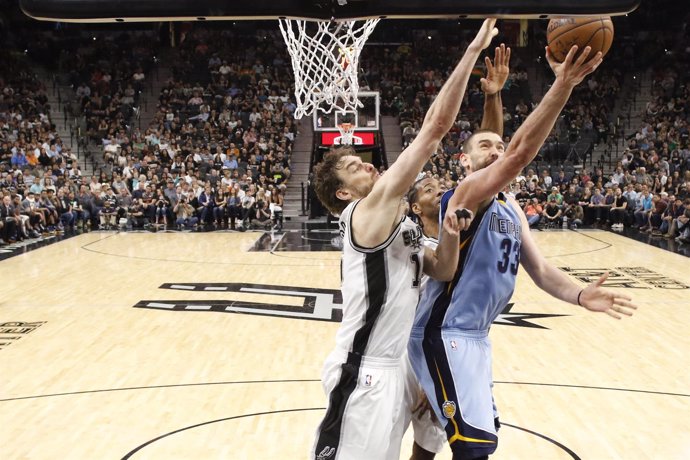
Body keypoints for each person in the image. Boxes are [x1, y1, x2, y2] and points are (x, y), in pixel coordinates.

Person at [409, 44, 637, 460]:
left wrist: (582, 294)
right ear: (464, 160)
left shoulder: (510, 206)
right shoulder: (465, 194)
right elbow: (517, 155)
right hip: (445, 333)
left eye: (499, 146)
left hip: (476, 336)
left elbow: (542, 269)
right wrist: (563, 85)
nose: (496, 151)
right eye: (485, 148)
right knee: (472, 449)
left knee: (471, 444)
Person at [310, 19, 498, 460]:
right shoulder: (364, 213)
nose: (367, 167)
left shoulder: (403, 224)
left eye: (363, 160)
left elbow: (444, 269)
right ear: (342, 193)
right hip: (364, 369)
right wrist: (470, 54)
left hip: (397, 364)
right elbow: (434, 130)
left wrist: (450, 234)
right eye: (354, 168)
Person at [402, 42, 511, 460]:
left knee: (426, 450)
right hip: (406, 347)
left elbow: (490, 157)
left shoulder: (458, 214)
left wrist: (493, 95)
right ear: (414, 206)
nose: (437, 188)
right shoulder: (408, 237)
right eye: (427, 188)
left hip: (437, 345)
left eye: (438, 185)